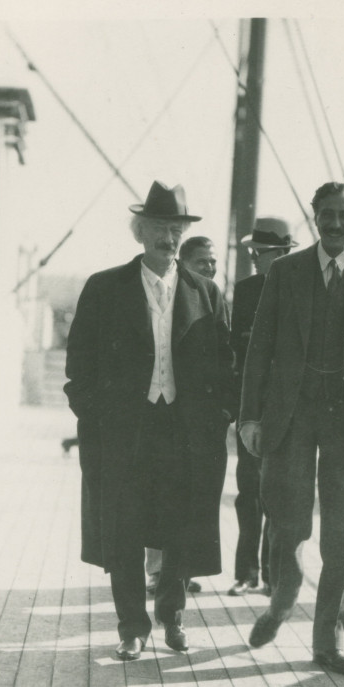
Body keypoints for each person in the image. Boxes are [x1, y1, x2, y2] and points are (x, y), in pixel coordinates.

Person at [239, 182, 344, 675]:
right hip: (290, 416)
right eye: (327, 215)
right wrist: (250, 417)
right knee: (287, 522)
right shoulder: (287, 273)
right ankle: (281, 601)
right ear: (313, 218)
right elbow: (260, 350)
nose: (336, 224)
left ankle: (326, 644)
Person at [65, 181, 234, 661]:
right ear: (140, 233)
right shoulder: (105, 287)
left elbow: (226, 364)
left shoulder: (206, 292)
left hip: (185, 432)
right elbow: (79, 362)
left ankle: (172, 616)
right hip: (123, 431)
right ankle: (131, 627)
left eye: (176, 229)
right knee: (124, 528)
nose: (169, 237)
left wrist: (219, 415)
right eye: (159, 228)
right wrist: (95, 415)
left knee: (182, 525)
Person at [144, 235, 220, 596]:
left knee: (185, 499)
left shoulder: (209, 297)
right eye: (202, 261)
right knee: (155, 496)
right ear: (184, 262)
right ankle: (158, 571)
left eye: (212, 261)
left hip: (192, 418)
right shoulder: (162, 296)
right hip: (154, 412)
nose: (210, 267)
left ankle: (178, 569)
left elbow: (224, 357)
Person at [227, 217, 297, 597]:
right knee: (248, 490)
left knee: (281, 494)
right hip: (252, 407)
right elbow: (238, 350)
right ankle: (246, 573)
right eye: (253, 251)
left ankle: (274, 575)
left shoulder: (302, 291)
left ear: (282, 254)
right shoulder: (247, 290)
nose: (253, 257)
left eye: (260, 252)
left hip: (288, 411)